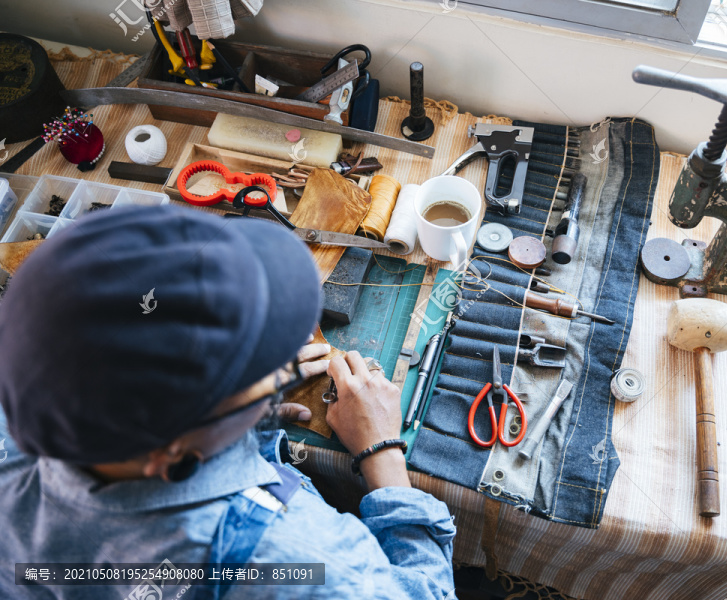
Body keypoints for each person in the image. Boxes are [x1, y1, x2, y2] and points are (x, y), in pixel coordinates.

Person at [0, 205, 456, 599]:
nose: (278, 360)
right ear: (172, 450)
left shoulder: (34, 403)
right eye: (260, 365)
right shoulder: (295, 557)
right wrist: (384, 455)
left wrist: (237, 415)